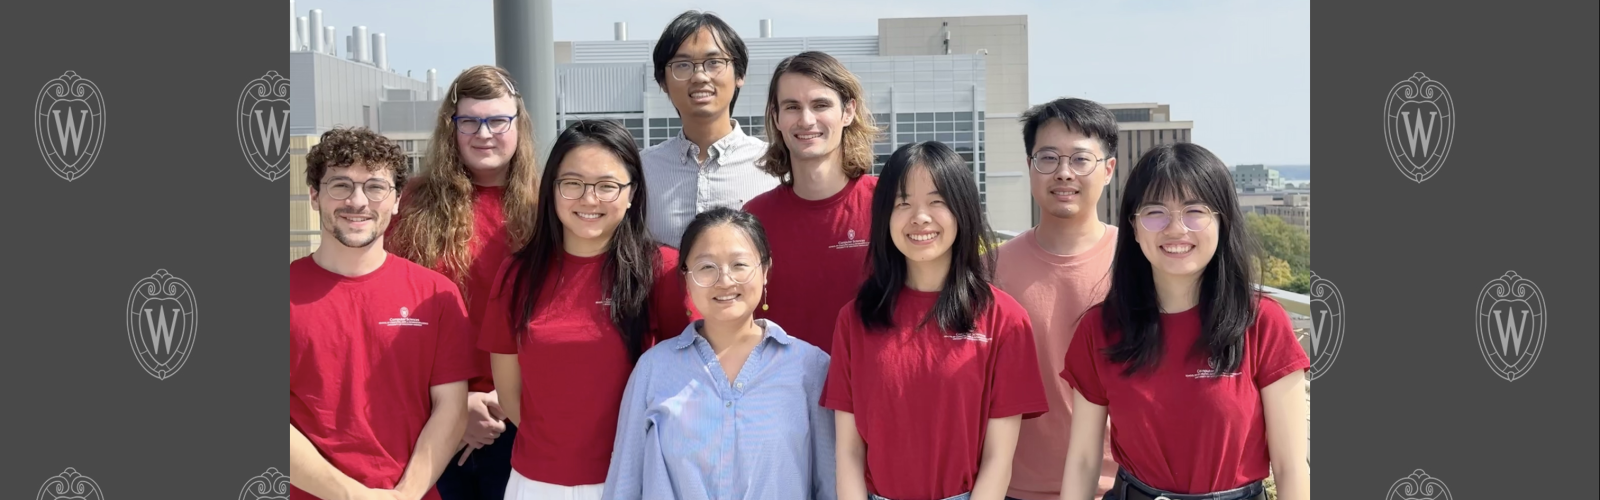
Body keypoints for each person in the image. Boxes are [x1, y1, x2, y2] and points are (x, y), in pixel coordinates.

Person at [1058, 143, 1310, 500]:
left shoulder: (1261, 322)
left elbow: (1291, 466)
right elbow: (1083, 460)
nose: (1176, 229)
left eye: (1195, 211)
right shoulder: (1100, 328)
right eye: (1155, 212)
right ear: (1133, 226)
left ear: (1222, 221)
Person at [477, 120, 695, 500]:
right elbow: (511, 394)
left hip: (635, 480)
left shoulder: (663, 273)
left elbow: (689, 381)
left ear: (632, 194)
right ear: (552, 190)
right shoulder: (517, 275)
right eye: (573, 183)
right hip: (536, 483)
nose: (589, 199)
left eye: (607, 186)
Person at [823, 141, 1049, 500]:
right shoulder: (855, 319)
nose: (920, 217)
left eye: (937, 201)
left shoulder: (1004, 320)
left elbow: (998, 459)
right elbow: (849, 452)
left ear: (963, 210)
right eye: (903, 203)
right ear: (884, 216)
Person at [602, 207, 837, 500]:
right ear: (686, 278)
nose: (724, 280)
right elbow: (625, 483)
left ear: (765, 271)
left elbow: (832, 484)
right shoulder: (653, 368)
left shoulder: (810, 367)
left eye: (739, 265)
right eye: (706, 267)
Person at [290, 127, 473, 500]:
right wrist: (354, 496)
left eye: (375, 187)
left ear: (395, 200)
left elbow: (451, 410)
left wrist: (406, 495)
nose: (358, 201)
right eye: (340, 185)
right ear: (314, 196)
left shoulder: (437, 295)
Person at [385, 65, 539, 500]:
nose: (483, 133)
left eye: (497, 120)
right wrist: (456, 407)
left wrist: (501, 402)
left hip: (520, 417)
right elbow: (388, 311)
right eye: (469, 121)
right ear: (450, 127)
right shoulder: (409, 205)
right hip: (427, 416)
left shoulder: (547, 206)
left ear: (518, 124)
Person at [996, 98, 1121, 500]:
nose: (1063, 172)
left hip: (1125, 485)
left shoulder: (1143, 262)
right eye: (1047, 157)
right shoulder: (987, 270)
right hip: (1014, 486)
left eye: (1081, 159)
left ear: (1108, 169)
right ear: (1030, 166)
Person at [741, 51, 879, 352]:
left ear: (848, 111)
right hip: (782, 393)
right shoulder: (754, 218)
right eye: (792, 107)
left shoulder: (888, 204)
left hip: (869, 392)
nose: (806, 120)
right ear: (776, 117)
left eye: (820, 105)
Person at [641, 10, 780, 248]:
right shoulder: (641, 170)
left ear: (740, 74)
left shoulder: (775, 166)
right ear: (663, 82)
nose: (700, 76)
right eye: (683, 65)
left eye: (714, 62)